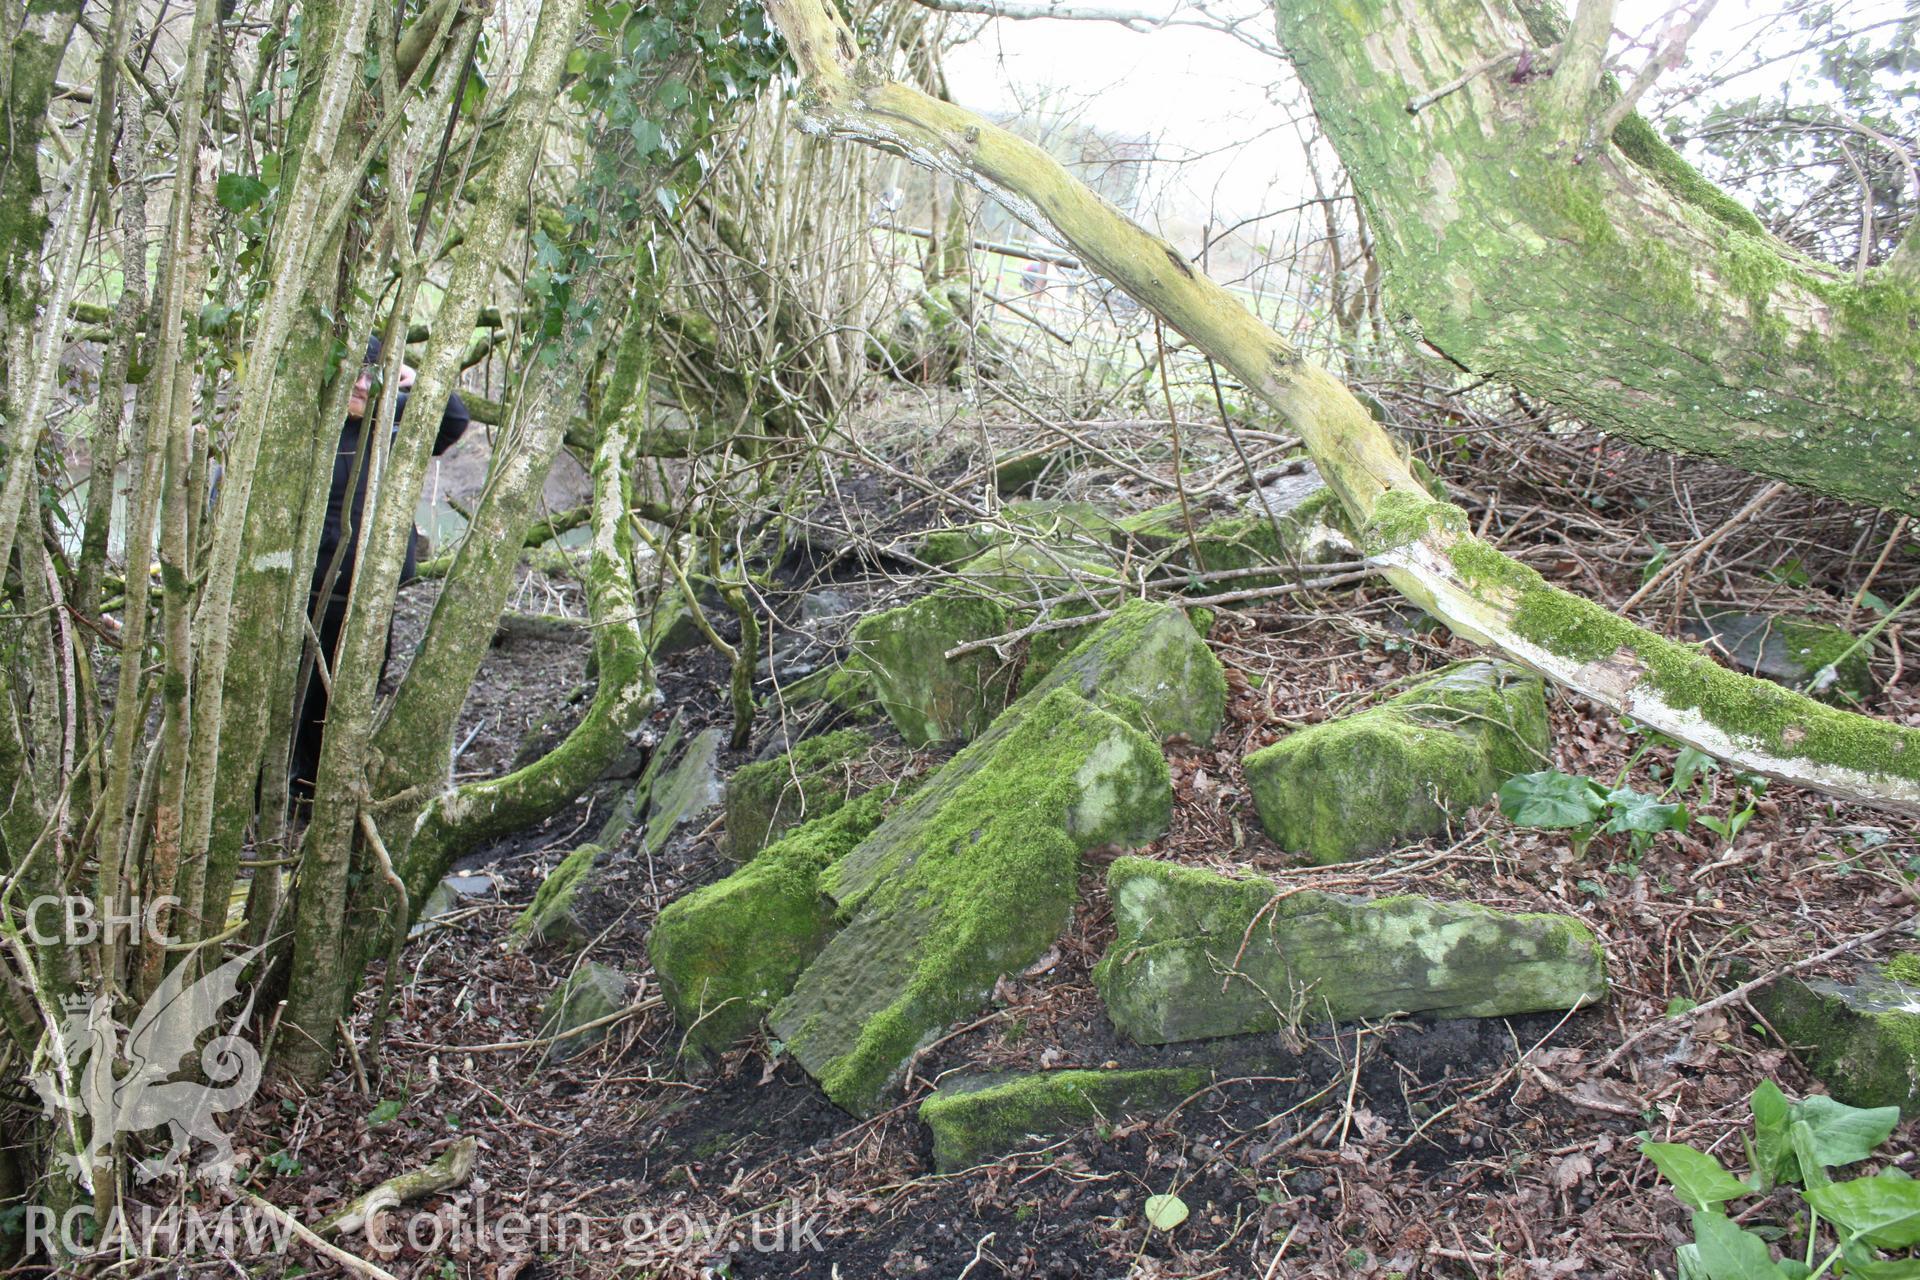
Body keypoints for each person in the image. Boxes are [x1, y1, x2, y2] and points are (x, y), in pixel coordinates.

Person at [290, 336, 471, 800]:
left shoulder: (389, 418)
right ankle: (292, 786)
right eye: (353, 372)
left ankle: (326, 785)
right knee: (303, 689)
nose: (360, 384)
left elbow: (453, 420)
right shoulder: (306, 424)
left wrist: (411, 373)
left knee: (352, 690)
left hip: (371, 589)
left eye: (371, 374)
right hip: (311, 590)